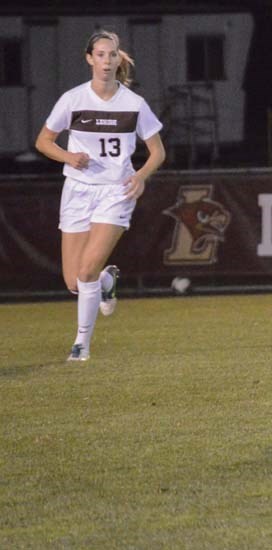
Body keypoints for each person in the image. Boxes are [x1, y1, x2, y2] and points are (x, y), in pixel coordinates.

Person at [35, 30, 165, 362]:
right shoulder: (73, 99)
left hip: (115, 191)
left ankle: (81, 344)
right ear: (90, 58)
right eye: (101, 54)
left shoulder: (134, 104)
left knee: (87, 269)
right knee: (73, 281)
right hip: (77, 190)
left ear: (119, 58)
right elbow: (43, 142)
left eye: (113, 54)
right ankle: (107, 281)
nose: (107, 60)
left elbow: (157, 152)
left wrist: (140, 176)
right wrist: (68, 157)